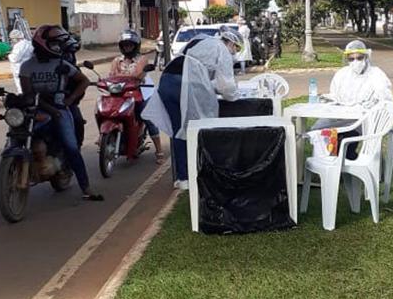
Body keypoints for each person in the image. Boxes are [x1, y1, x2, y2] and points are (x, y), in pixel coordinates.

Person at [142, 31, 241, 190]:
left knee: (178, 130)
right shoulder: (222, 50)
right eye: (236, 48)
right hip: (184, 84)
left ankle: (182, 178)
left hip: (167, 81)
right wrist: (236, 94)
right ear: (231, 43)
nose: (235, 52)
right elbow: (227, 88)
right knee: (192, 128)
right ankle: (194, 174)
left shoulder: (201, 39)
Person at [19, 25, 103, 201]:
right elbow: (28, 93)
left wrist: (69, 100)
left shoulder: (62, 64)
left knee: (71, 147)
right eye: (55, 43)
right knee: (17, 135)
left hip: (59, 109)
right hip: (36, 108)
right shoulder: (27, 66)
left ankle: (86, 188)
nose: (59, 47)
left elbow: (84, 81)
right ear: (43, 44)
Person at [316, 40, 393, 159]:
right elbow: (336, 95)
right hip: (343, 117)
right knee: (318, 129)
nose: (355, 62)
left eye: (359, 58)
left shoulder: (376, 75)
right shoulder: (342, 74)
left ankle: (344, 160)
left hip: (365, 121)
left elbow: (385, 99)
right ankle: (329, 162)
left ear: (366, 57)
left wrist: (367, 105)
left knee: (342, 136)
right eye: (351, 59)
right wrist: (327, 98)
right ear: (346, 59)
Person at [109, 30, 165, 164]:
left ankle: (159, 151)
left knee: (147, 117)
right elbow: (111, 76)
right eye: (125, 45)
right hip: (121, 93)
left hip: (142, 93)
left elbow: (138, 75)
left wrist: (121, 76)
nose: (127, 47)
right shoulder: (117, 60)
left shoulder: (142, 59)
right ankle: (104, 137)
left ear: (136, 46)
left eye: (130, 45)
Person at [8, 29, 33, 94]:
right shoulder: (29, 43)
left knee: (21, 86)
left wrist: (9, 55)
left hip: (19, 68)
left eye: (12, 39)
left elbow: (15, 58)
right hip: (30, 68)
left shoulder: (18, 46)